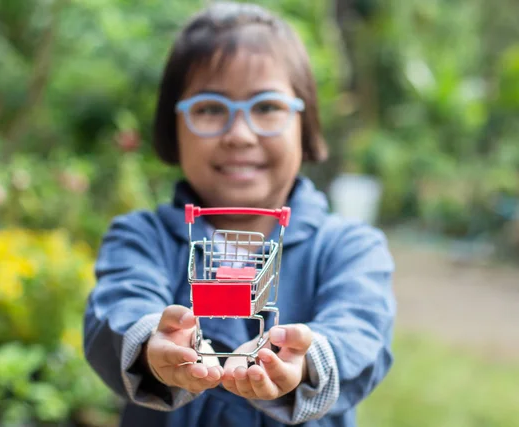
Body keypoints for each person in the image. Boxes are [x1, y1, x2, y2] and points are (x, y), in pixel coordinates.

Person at [83, 2, 396, 426]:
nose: (239, 135)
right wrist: (153, 344)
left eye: (266, 107)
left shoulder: (351, 249)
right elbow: (120, 307)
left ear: (305, 124)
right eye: (210, 108)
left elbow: (361, 334)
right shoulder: (140, 238)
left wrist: (304, 362)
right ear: (172, 126)